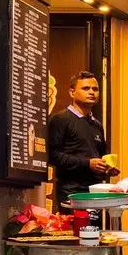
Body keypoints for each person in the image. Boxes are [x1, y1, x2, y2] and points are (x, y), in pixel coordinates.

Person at [46, 71, 117, 201]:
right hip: (71, 193)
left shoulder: (97, 125)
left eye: (95, 89)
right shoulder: (60, 119)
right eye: (86, 88)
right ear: (72, 92)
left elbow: (100, 157)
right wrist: (87, 163)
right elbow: (51, 155)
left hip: (96, 191)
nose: (91, 92)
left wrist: (107, 168)